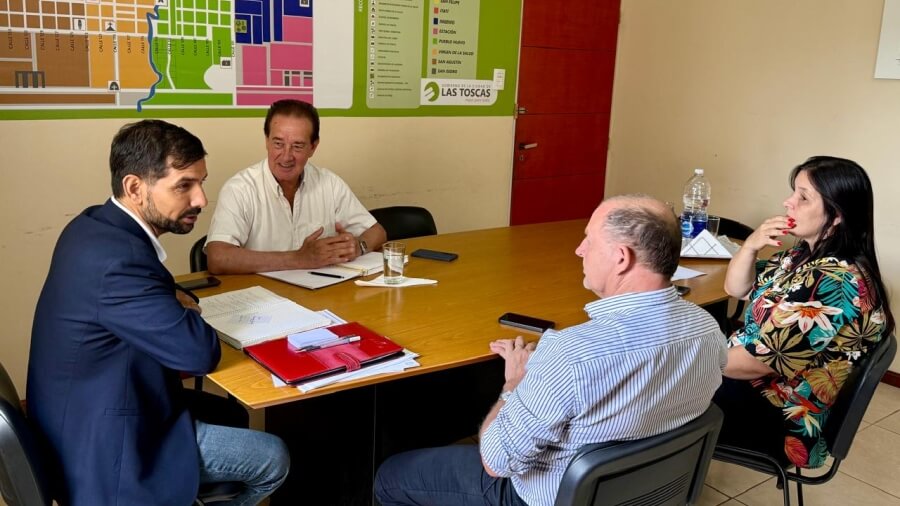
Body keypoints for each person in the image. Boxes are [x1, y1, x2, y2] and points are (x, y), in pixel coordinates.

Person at [374, 195, 727, 506]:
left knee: (390, 476)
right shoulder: (708, 329)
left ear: (621, 258)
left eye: (589, 240)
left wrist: (515, 384)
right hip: (646, 490)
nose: (579, 250)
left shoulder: (571, 352)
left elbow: (496, 463)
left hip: (544, 495)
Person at [26, 120, 290, 505]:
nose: (200, 199)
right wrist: (186, 312)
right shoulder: (119, 260)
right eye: (184, 185)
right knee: (273, 458)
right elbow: (200, 354)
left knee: (231, 414)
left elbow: (159, 287)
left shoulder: (95, 226)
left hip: (83, 407)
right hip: (107, 446)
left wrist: (174, 300)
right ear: (135, 187)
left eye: (201, 182)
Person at [715, 155, 894, 469]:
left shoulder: (834, 283)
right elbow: (737, 289)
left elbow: (753, 365)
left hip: (782, 418)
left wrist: (687, 360)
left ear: (836, 215)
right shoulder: (802, 255)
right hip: (759, 388)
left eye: (802, 197)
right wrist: (751, 246)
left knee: (659, 391)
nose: (788, 202)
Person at [205, 99, 387, 274]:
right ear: (266, 141)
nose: (286, 156)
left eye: (297, 146)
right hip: (262, 298)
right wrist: (299, 259)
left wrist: (358, 247)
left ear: (313, 147)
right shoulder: (240, 189)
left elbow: (377, 232)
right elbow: (218, 258)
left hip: (320, 293)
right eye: (278, 144)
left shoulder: (329, 183)